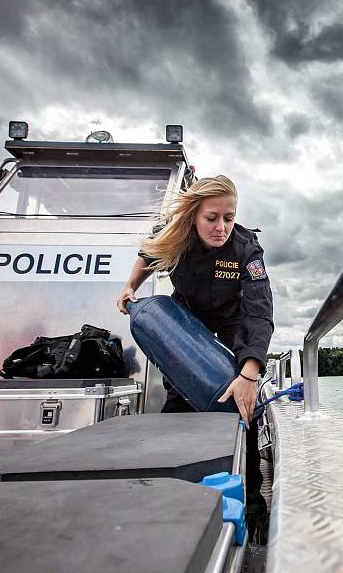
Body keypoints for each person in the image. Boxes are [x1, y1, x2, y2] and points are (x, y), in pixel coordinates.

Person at [116, 174, 273, 543]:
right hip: (189, 316)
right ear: (193, 216)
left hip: (234, 318)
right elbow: (149, 254)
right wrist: (129, 287)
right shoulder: (178, 235)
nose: (221, 227)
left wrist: (249, 376)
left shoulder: (246, 250)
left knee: (242, 408)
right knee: (178, 399)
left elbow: (259, 314)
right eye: (212, 218)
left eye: (229, 218)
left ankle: (252, 505)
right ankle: (170, 488)